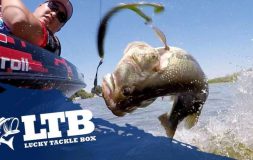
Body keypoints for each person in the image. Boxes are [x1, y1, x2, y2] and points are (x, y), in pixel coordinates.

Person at [0, 0, 73, 56]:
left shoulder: (54, 45)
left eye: (61, 16)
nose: (54, 14)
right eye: (53, 6)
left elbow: (19, 20)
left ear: (59, 28)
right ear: (40, 6)